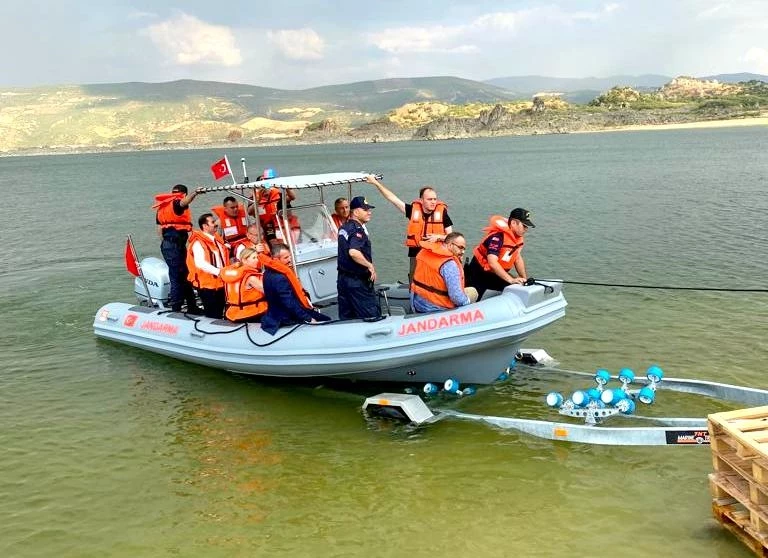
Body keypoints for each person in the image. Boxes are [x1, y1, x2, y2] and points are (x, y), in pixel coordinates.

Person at [365, 175, 453, 280]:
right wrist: (376, 183)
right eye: (429, 199)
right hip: (416, 255)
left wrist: (438, 237)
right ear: (422, 200)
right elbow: (392, 198)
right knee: (415, 279)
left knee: (433, 281)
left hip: (434, 255)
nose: (433, 202)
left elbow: (451, 237)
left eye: (435, 199)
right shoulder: (412, 211)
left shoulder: (442, 213)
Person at [153, 183, 203, 313]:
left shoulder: (163, 207)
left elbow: (159, 229)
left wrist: (167, 243)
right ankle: (176, 308)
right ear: (184, 194)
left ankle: (192, 306)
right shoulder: (176, 203)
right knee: (177, 276)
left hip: (169, 244)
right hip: (174, 245)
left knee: (186, 274)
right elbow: (184, 202)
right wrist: (195, 193)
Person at [260, 243, 331, 335]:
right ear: (276, 259)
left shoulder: (267, 273)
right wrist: (309, 318)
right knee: (327, 320)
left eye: (289, 256)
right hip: (286, 316)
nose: (290, 260)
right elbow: (289, 303)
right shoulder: (280, 278)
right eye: (286, 258)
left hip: (276, 313)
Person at [466, 208, 534, 300]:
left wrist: (524, 278)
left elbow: (517, 259)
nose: (526, 229)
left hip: (495, 274)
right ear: (514, 223)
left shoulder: (517, 239)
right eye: (524, 226)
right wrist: (511, 280)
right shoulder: (497, 238)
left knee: (516, 286)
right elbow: (492, 263)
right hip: (479, 274)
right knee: (472, 298)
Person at [411, 232, 478, 313]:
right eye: (460, 248)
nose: (463, 252)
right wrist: (468, 302)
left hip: (417, 301)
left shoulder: (424, 251)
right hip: (436, 307)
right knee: (473, 292)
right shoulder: (449, 264)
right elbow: (456, 298)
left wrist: (440, 237)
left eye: (464, 249)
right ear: (450, 245)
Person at [337, 196, 380, 320]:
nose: (369, 212)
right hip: (357, 282)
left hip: (343, 280)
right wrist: (369, 265)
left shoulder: (344, 228)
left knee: (347, 318)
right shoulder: (357, 230)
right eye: (365, 209)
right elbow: (353, 252)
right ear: (356, 212)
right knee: (371, 316)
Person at [186, 213, 230, 319]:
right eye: (212, 222)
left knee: (222, 310)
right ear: (205, 226)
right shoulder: (198, 243)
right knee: (213, 314)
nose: (216, 224)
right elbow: (200, 263)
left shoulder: (217, 240)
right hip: (208, 286)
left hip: (221, 283)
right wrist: (218, 272)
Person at [220, 247, 268, 322]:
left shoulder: (230, 275)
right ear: (244, 260)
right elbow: (269, 292)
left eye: (257, 257)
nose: (257, 260)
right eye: (254, 258)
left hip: (233, 312)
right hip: (251, 313)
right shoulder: (251, 278)